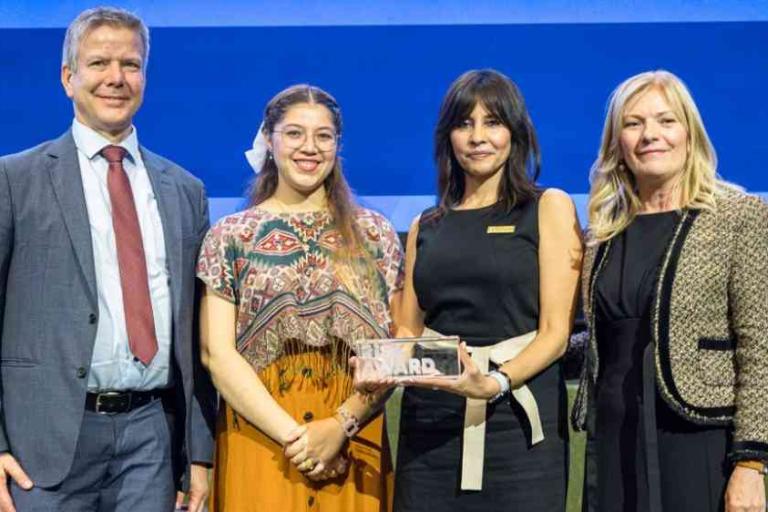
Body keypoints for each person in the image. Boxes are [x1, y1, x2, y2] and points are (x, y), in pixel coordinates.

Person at [0, 6, 215, 512]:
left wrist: (198, 454)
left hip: (152, 440)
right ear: (68, 77)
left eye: (131, 65)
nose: (116, 79)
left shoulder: (185, 191)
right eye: (99, 64)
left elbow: (197, 337)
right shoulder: (14, 181)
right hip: (44, 445)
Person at [197, 84, 404, 511]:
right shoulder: (230, 236)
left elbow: (396, 348)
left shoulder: (376, 234)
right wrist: (300, 440)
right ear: (269, 141)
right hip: (260, 435)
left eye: (323, 136)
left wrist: (340, 426)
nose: (309, 147)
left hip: (354, 437)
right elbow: (216, 354)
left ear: (337, 146)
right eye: (294, 133)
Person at [571, 70, 768, 512]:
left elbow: (762, 348)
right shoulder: (603, 232)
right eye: (634, 123)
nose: (650, 135)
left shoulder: (739, 217)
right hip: (615, 437)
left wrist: (752, 463)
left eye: (665, 121)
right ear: (617, 142)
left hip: (699, 439)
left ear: (689, 134)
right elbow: (610, 339)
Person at [392, 69, 582, 511]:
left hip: (518, 428)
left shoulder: (547, 206)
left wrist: (494, 382)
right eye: (464, 124)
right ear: (448, 137)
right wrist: (373, 373)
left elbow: (555, 334)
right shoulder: (426, 225)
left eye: (492, 122)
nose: (478, 137)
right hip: (430, 427)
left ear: (516, 132)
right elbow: (406, 328)